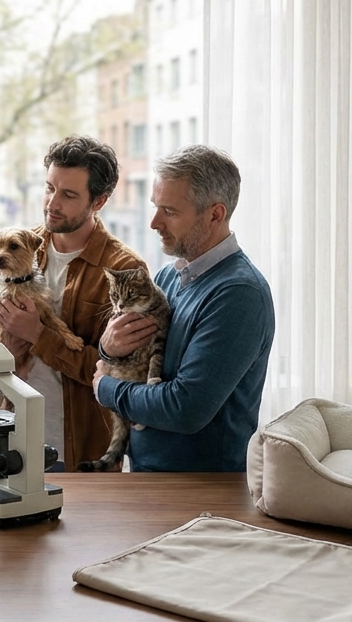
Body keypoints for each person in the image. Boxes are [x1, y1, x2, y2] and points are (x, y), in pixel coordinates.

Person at [94, 145, 275, 472]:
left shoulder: (238, 294)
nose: (154, 223)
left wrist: (106, 388)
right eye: (155, 207)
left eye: (170, 211)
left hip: (201, 489)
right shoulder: (167, 277)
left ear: (215, 214)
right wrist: (108, 349)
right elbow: (139, 356)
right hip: (151, 477)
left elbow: (185, 408)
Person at [0, 135, 147, 471]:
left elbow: (121, 375)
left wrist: (39, 335)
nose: (52, 203)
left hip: (80, 450)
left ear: (99, 201)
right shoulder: (15, 249)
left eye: (68, 195)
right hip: (9, 434)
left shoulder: (123, 269)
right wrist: (4, 354)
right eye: (49, 188)